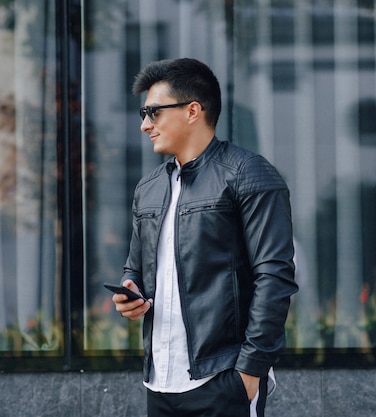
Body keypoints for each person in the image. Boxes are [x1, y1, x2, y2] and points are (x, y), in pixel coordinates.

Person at [111, 57, 298, 417]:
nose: (144, 125)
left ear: (193, 110)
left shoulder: (248, 174)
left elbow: (274, 278)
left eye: (153, 112)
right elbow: (134, 268)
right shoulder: (148, 188)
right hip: (159, 382)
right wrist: (130, 293)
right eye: (143, 113)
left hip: (223, 377)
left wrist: (249, 371)